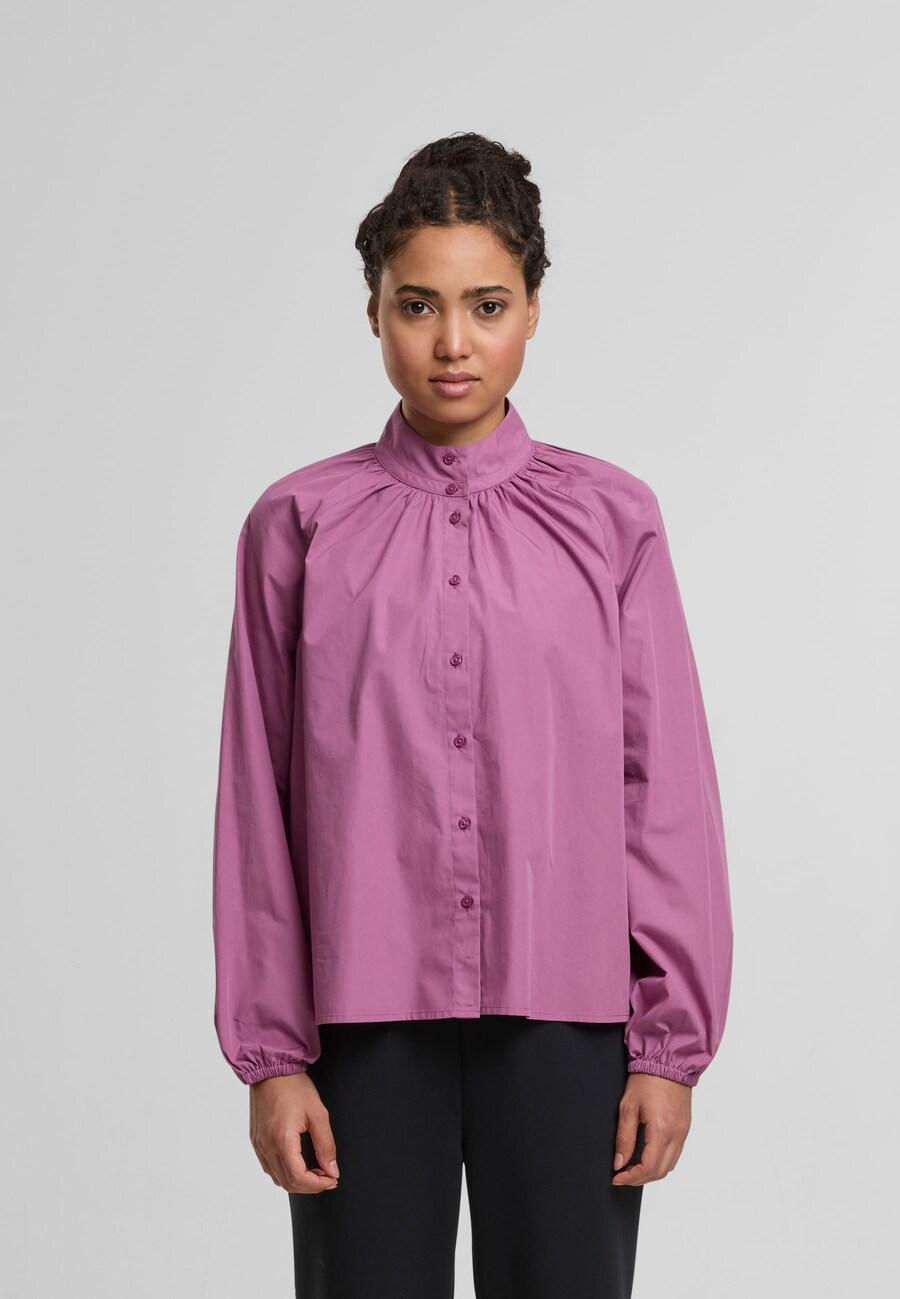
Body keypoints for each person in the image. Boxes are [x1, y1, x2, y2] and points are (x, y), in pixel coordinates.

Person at [211, 131, 733, 1299]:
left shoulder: (612, 522)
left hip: (569, 1024)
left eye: (487, 305)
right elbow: (256, 800)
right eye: (418, 306)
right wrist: (272, 1057)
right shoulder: (297, 527)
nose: (453, 343)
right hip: (358, 1028)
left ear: (533, 310)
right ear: (373, 313)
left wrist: (669, 1048)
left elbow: (665, 791)